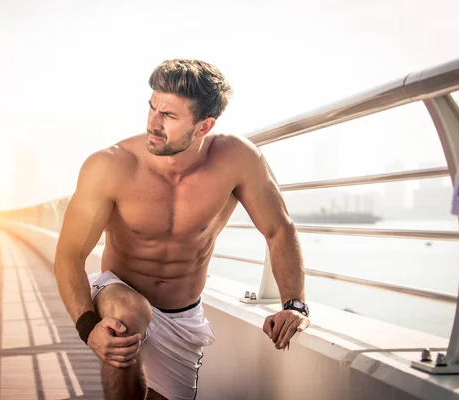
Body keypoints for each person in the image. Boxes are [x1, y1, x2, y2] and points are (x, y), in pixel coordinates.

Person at [53, 59, 310, 400]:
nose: (152, 123)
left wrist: (294, 304)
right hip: (119, 292)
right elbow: (70, 253)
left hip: (183, 314)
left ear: (204, 126)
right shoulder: (111, 165)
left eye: (169, 116)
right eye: (152, 108)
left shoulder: (237, 159)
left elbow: (279, 228)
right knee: (127, 317)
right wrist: (88, 328)